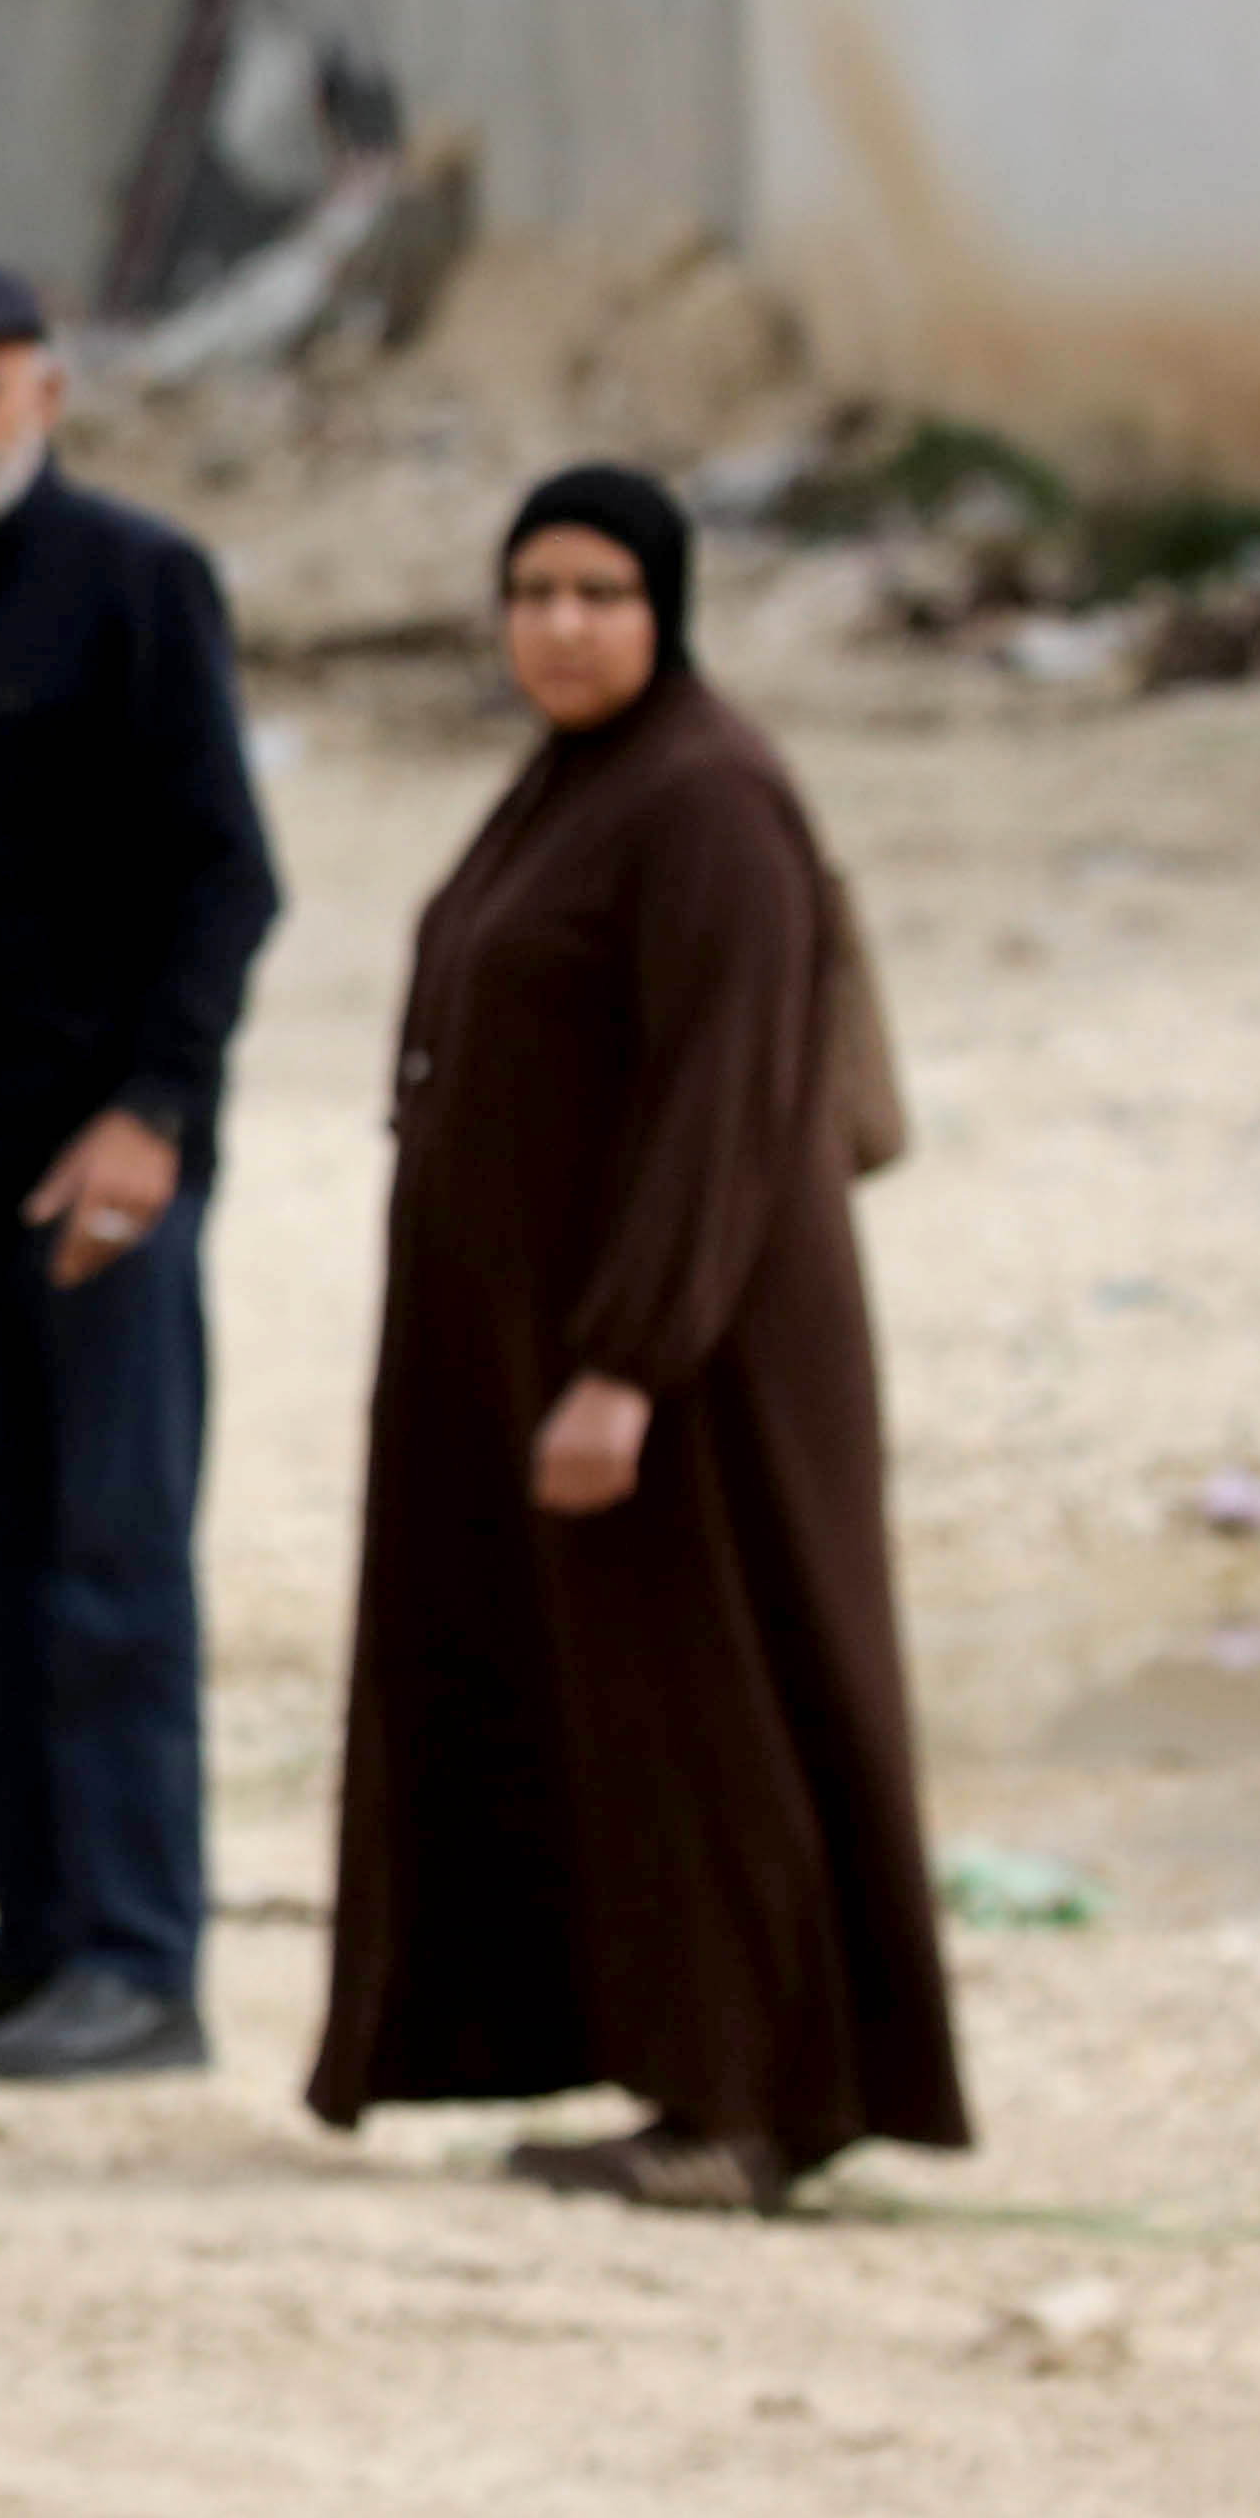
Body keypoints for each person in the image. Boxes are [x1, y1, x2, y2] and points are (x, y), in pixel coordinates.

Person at [309, 468, 965, 2210]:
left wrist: (628, 1363)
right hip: (567, 1338)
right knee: (617, 1702)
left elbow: (727, 1105)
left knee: (713, 1701)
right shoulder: (583, 786)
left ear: (665, 611)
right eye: (532, 593)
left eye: (600, 594)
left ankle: (751, 2104)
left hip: (692, 1363)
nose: (562, 627)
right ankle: (686, 2079)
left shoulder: (708, 800)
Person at [0, 259, 283, 2087]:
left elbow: (224, 873)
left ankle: (140, 1954)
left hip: (103, 1164)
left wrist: (155, 1113)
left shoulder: (135, 580)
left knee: (113, 1563)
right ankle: (35, 1929)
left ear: (47, 391)